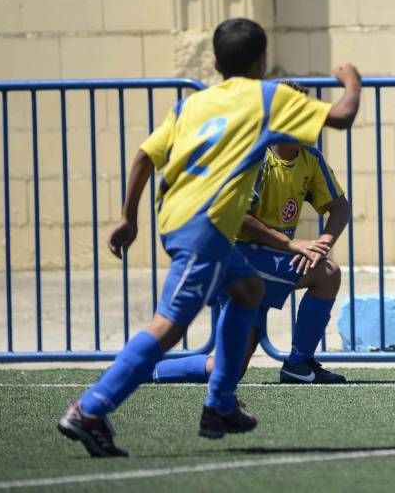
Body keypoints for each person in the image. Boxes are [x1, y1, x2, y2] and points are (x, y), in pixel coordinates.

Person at [57, 18, 362, 457]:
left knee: (247, 289)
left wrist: (128, 218)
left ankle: (219, 404)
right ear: (261, 61)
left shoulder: (190, 105)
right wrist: (351, 80)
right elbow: (342, 115)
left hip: (188, 221)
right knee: (168, 325)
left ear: (215, 62)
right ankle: (90, 408)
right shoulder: (267, 98)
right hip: (205, 226)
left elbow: (145, 155)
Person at [148, 80, 351, 385]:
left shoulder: (310, 159)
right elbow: (238, 215)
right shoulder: (257, 158)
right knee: (328, 273)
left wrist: (323, 242)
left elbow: (340, 208)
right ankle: (298, 365)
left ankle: (145, 368)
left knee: (228, 368)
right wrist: (290, 242)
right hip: (240, 258)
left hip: (269, 259)